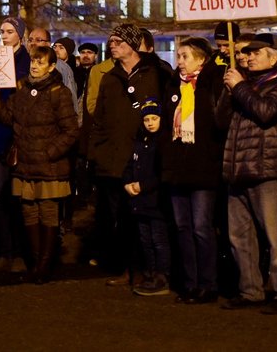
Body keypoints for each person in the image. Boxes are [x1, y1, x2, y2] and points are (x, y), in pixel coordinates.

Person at [217, 39, 277, 314]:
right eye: (246, 54)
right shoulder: (245, 87)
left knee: (275, 235)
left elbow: (266, 112)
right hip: (238, 169)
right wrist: (229, 91)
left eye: (255, 54)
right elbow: (221, 121)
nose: (248, 58)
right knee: (240, 236)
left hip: (266, 169)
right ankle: (250, 290)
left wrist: (239, 87)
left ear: (274, 58)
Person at [0, 45, 79, 284]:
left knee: (48, 213)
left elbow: (70, 131)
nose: (35, 66)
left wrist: (49, 152)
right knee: (29, 213)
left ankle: (44, 266)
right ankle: (36, 263)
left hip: (49, 165)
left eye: (40, 62)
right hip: (25, 164)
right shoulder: (22, 88)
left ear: (51, 66)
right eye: (33, 62)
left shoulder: (60, 92)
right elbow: (8, 117)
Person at [89, 23, 168, 286]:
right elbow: (98, 120)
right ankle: (127, 269)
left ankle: (153, 269)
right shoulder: (109, 78)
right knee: (120, 219)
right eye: (110, 40)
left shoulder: (156, 73)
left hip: (146, 159)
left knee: (147, 219)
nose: (111, 44)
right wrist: (98, 154)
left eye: (117, 40)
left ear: (133, 45)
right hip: (114, 159)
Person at [161, 37, 224, 304]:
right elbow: (166, 126)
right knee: (182, 227)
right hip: (178, 167)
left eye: (185, 56)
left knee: (201, 227)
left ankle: (208, 284)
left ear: (201, 59)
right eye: (179, 56)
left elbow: (217, 122)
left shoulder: (211, 83)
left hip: (203, 167)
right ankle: (189, 282)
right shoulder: (174, 85)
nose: (180, 61)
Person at [0, 16, 30, 273]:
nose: (4, 35)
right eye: (2, 31)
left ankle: (24, 250)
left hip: (21, 140)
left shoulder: (28, 63)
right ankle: (5, 251)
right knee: (0, 198)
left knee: (21, 197)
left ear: (20, 35)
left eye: (9, 31)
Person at [123, 98, 170, 296]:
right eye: (146, 119)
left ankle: (162, 275)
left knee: (158, 239)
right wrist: (127, 183)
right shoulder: (140, 142)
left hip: (155, 201)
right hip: (140, 201)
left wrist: (142, 185)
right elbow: (129, 166)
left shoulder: (162, 142)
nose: (150, 122)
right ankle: (151, 273)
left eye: (154, 118)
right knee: (146, 240)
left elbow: (161, 174)